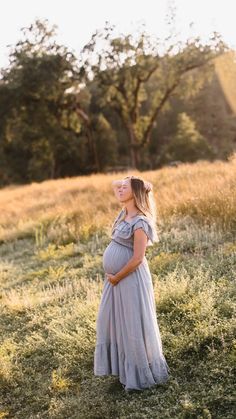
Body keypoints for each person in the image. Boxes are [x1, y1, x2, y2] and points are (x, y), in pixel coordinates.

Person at [94, 175, 170, 392]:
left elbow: (137, 258)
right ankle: (123, 370)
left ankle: (138, 376)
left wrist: (117, 277)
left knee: (132, 325)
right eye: (120, 187)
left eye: (124, 188)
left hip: (128, 279)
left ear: (134, 193)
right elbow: (114, 183)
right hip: (115, 281)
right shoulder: (124, 214)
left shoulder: (141, 222)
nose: (119, 189)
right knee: (111, 322)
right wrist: (134, 182)